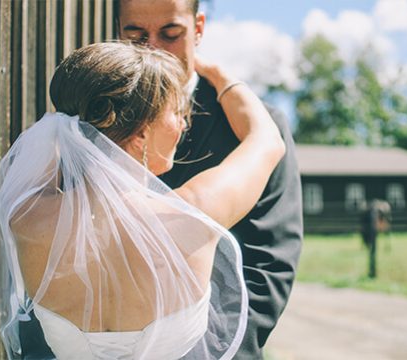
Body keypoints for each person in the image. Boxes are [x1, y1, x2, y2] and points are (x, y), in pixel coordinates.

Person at [0, 42, 285, 359]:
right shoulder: (193, 214)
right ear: (142, 134)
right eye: (176, 112)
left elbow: (51, 153)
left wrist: (70, 126)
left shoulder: (27, 217)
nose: (183, 124)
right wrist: (216, 74)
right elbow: (267, 140)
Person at [116, 0, 303, 358]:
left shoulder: (255, 126)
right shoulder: (96, 120)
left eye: (171, 34)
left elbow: (269, 264)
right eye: (136, 36)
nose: (153, 48)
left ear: (198, 29)